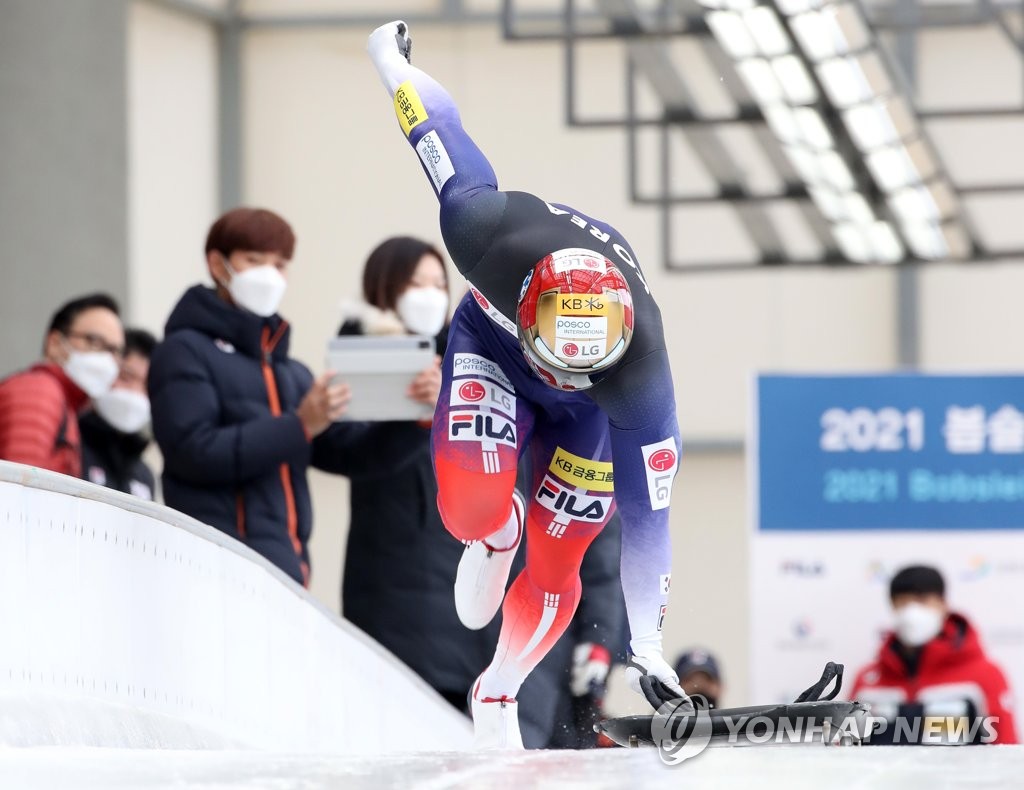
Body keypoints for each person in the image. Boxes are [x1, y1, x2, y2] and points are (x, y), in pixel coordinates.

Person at [367, 21, 684, 748]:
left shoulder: (641, 371)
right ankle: (495, 527)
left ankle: (501, 685)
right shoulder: (481, 230)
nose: (562, 373)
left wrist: (649, 647)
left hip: (592, 416)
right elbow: (434, 127)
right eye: (555, 355)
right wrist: (390, 62)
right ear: (523, 309)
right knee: (472, 503)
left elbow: (649, 523)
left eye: (582, 363)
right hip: (491, 353)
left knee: (559, 554)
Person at [149, 207, 418, 586]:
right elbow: (194, 451)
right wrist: (299, 424)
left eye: (280, 265)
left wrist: (418, 417)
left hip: (286, 572)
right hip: (213, 569)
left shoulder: (290, 372)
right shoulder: (183, 351)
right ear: (217, 264)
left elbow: (352, 452)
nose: (269, 276)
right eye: (254, 260)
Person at [338, 235, 494, 710]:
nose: (430, 294)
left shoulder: (475, 360)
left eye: (437, 283)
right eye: (414, 283)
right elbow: (344, 450)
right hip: (389, 580)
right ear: (384, 290)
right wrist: (416, 416)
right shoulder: (357, 360)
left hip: (468, 574)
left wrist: (449, 400)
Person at [851, 565, 1018, 744]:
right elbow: (846, 749)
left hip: (959, 772)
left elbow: (1005, 749)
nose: (911, 611)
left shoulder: (984, 675)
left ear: (942, 604)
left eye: (922, 600)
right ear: (893, 606)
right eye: (903, 602)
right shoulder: (867, 680)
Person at [0, 293, 124, 477]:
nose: (107, 358)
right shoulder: (38, 391)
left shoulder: (65, 403)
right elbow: (19, 489)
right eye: (95, 342)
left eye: (114, 351)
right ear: (55, 343)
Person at [80, 328, 158, 500]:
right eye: (125, 377)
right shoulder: (71, 446)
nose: (135, 392)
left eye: (147, 386)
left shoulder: (143, 475)